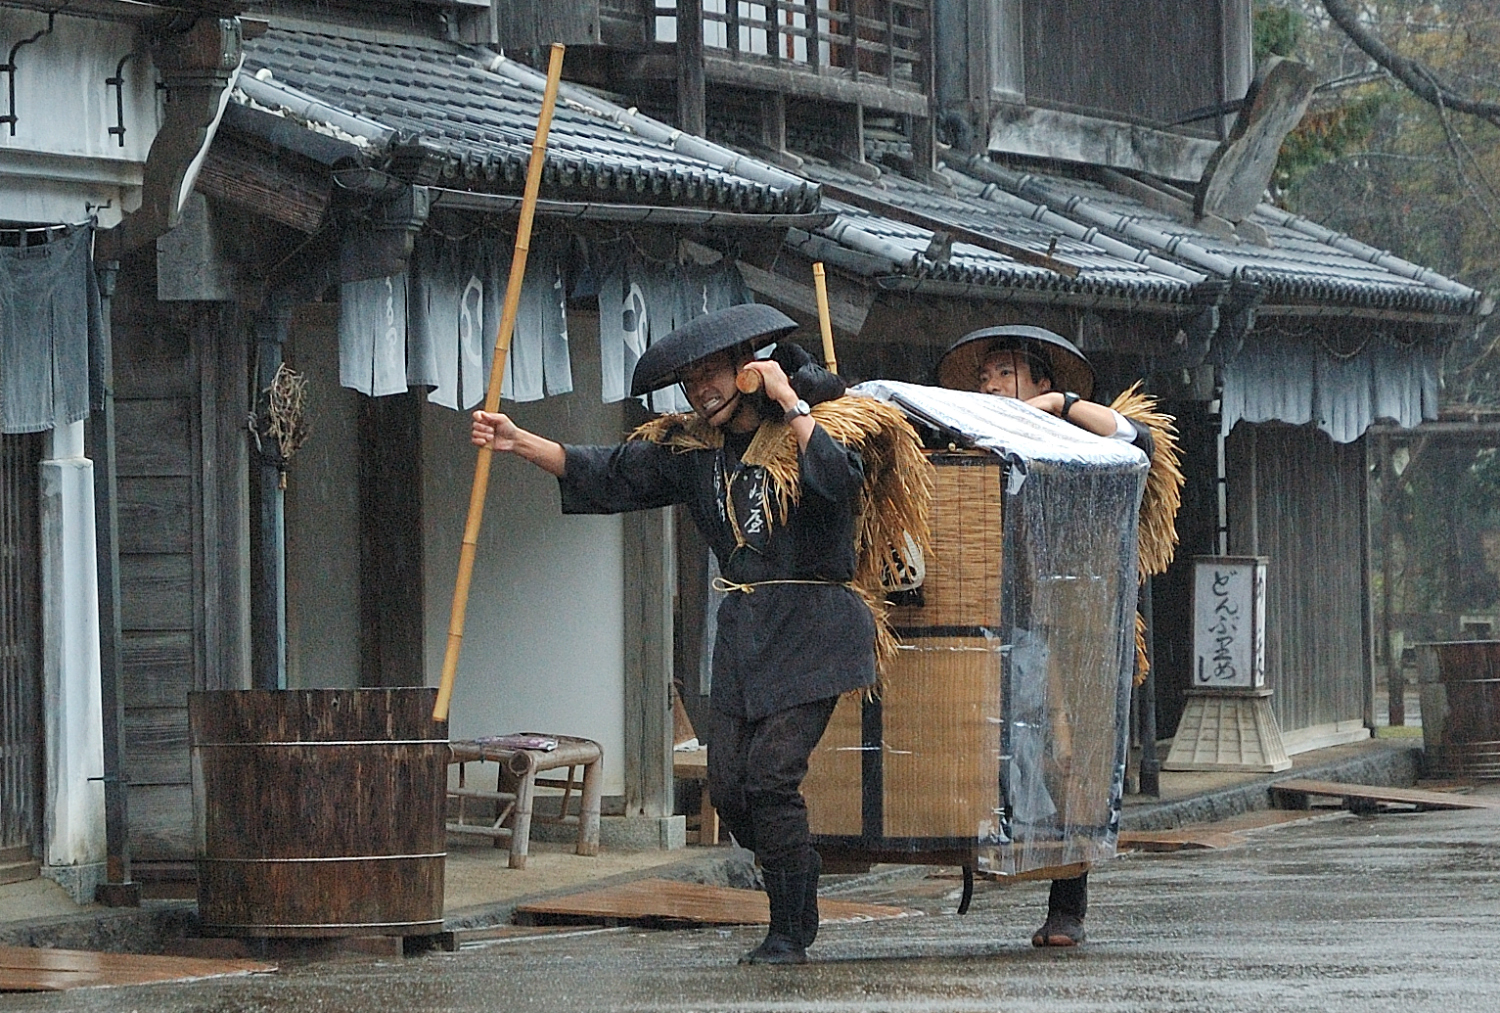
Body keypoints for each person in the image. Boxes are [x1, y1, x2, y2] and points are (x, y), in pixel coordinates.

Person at [473, 302, 928, 965]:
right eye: (690, 382)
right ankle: (797, 871)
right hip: (745, 633)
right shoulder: (693, 452)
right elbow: (608, 472)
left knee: (772, 777)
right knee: (732, 785)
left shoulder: (821, 422)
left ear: (748, 364)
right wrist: (522, 442)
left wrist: (789, 397)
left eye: (712, 374)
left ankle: (787, 933)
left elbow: (837, 483)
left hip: (816, 628)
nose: (701, 391)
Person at [935, 324, 1180, 949]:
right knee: (986, 749)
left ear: (1043, 383)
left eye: (1007, 375)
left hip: (1067, 622)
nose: (992, 386)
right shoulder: (967, 438)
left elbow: (1140, 441)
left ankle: (1068, 902)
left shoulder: (1076, 435)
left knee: (1067, 758)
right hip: (989, 618)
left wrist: (1059, 409)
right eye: (985, 378)